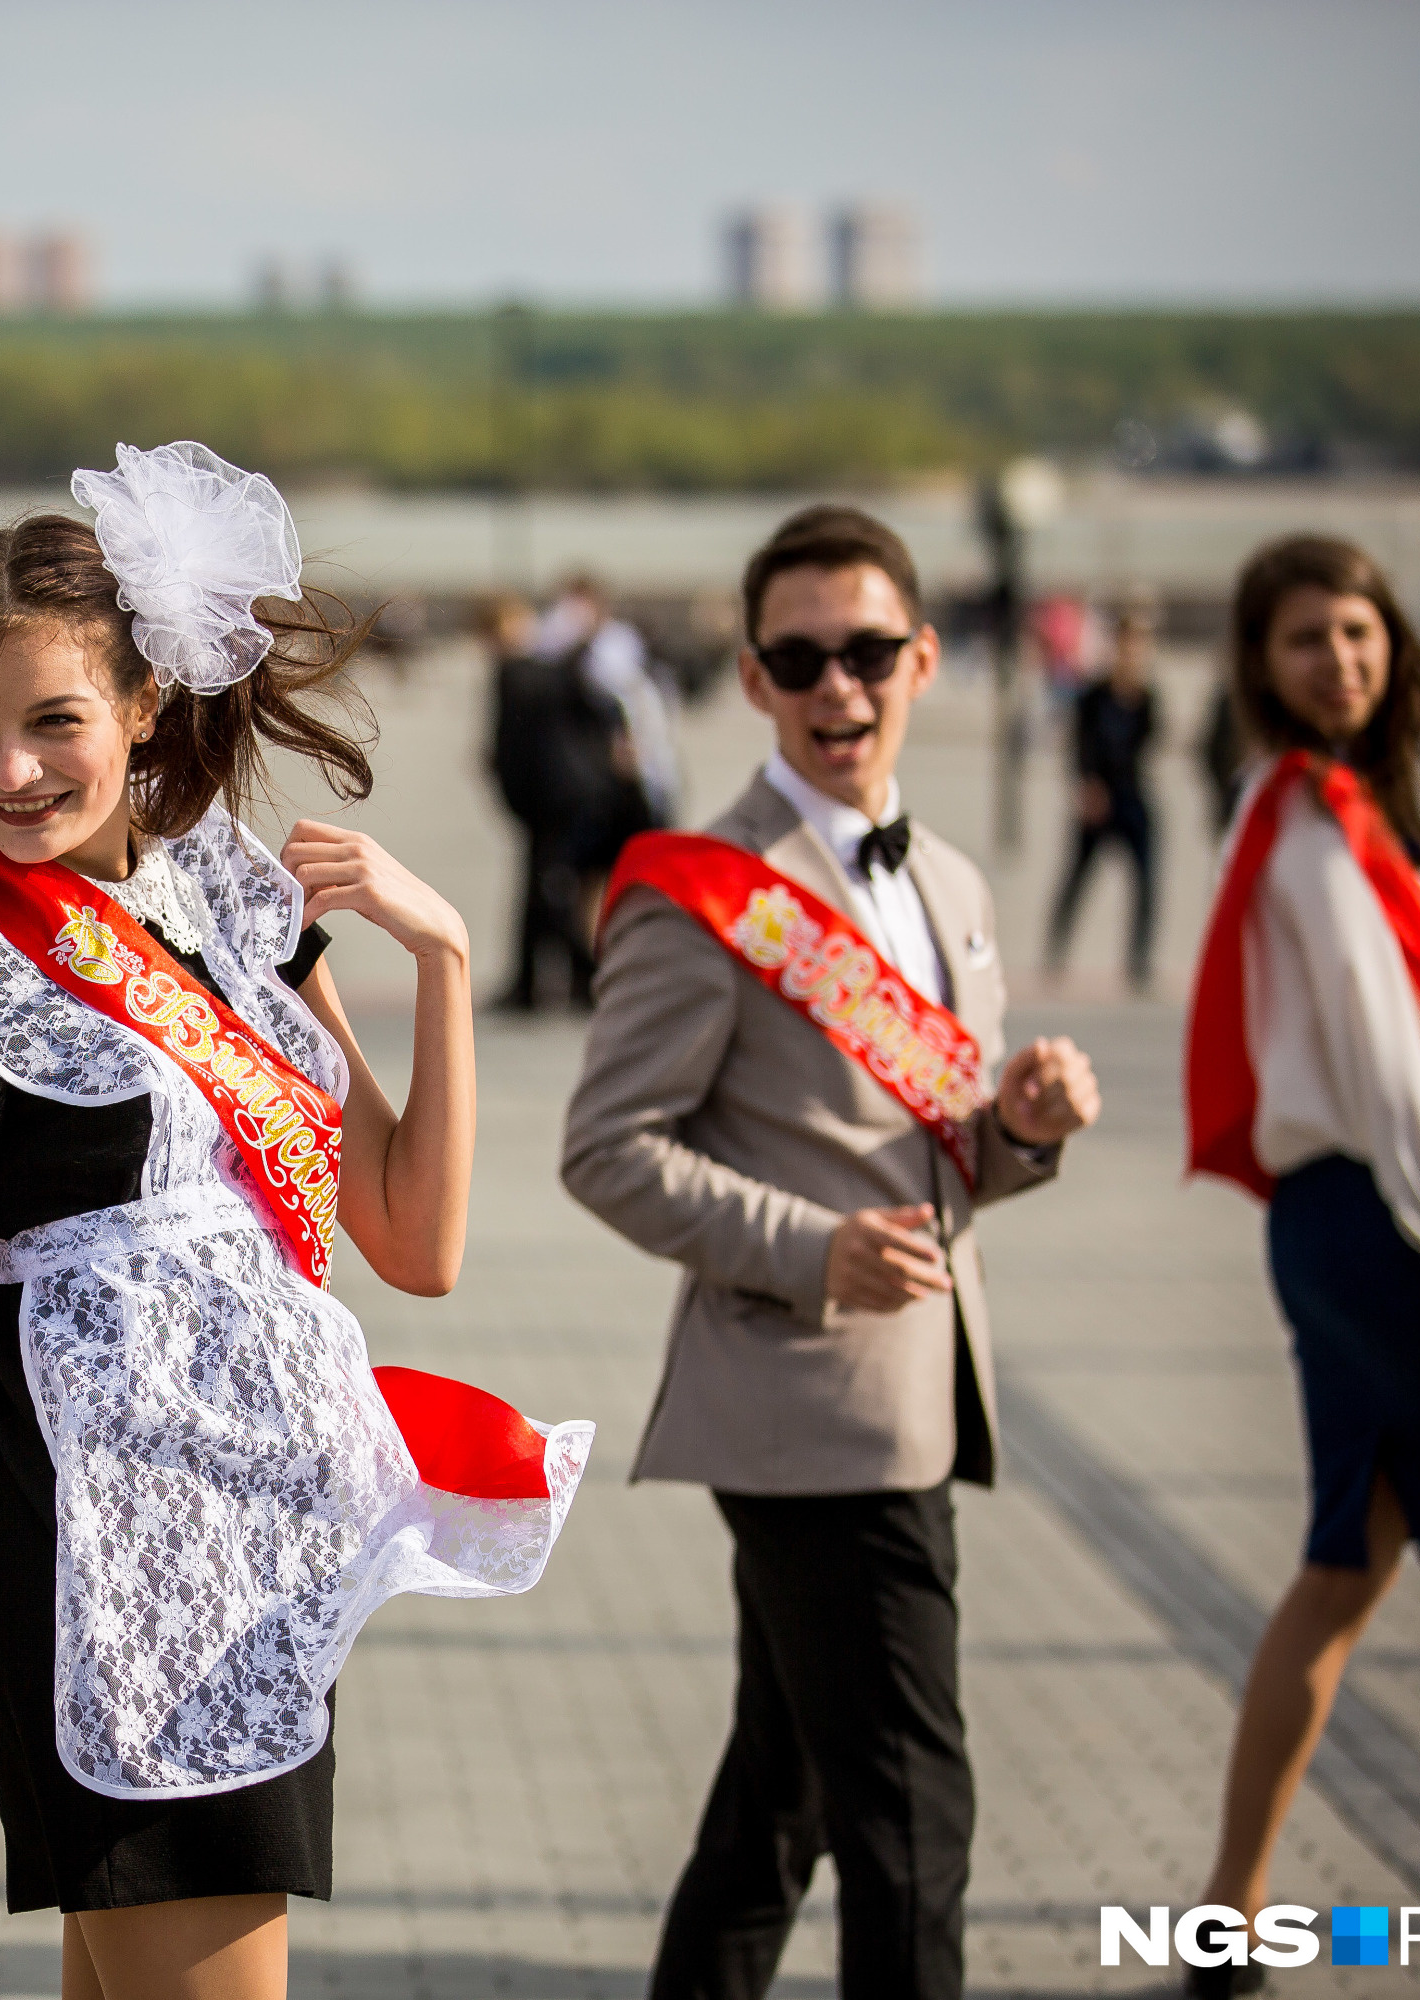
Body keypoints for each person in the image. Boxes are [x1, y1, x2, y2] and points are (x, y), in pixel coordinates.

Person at [0, 444, 592, 1998]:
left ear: (147, 704)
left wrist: (440, 960)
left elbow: (413, 1241)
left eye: (55, 723)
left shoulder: (227, 908)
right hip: (116, 1584)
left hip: (257, 1572)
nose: (8, 772)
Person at [561, 504, 1100, 2000]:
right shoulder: (701, 888)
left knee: (781, 1803)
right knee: (916, 1820)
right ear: (752, 678)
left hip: (920, 1386)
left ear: (924, 658)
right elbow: (605, 1151)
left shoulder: (959, 889)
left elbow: (951, 1161)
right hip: (807, 1411)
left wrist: (1028, 1127)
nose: (837, 688)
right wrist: (813, 1252)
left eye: (868, 652)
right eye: (800, 659)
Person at [1181, 535, 1420, 2000]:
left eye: (1359, 632)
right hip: (1393, 1221)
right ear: (1260, 666)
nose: (1341, 659)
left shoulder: (1309, 809)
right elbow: (1392, 1070)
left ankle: (1233, 1916)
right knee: (1343, 1569)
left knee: (1344, 1567)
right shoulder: (1315, 823)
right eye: (1306, 639)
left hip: (1333, 1226)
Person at [486, 594, 644, 1012]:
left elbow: (508, 746)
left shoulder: (524, 673)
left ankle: (559, 980)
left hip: (556, 801)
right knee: (557, 887)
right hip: (567, 799)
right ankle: (567, 980)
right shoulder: (555, 672)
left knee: (552, 888)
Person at [1046, 604, 1162, 989]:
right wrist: (1086, 785)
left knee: (1145, 880)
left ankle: (1138, 961)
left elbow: (1153, 742)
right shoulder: (1094, 695)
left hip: (1132, 795)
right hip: (1098, 796)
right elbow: (1079, 745)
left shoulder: (1146, 696)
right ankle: (1056, 950)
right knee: (1078, 877)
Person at [540, 572, 679, 826]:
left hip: (636, 759)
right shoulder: (558, 644)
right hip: (587, 769)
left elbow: (638, 698)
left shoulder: (621, 641)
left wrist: (637, 743)